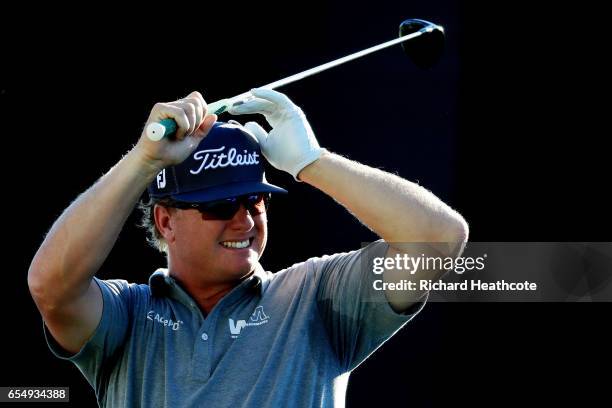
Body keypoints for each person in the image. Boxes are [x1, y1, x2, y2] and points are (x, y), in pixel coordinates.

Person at [28, 89, 468, 407]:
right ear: (166, 221)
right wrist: (144, 161)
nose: (245, 219)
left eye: (255, 200)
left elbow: (438, 239)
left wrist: (313, 163)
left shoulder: (315, 296)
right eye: (220, 206)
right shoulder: (127, 316)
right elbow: (50, 286)